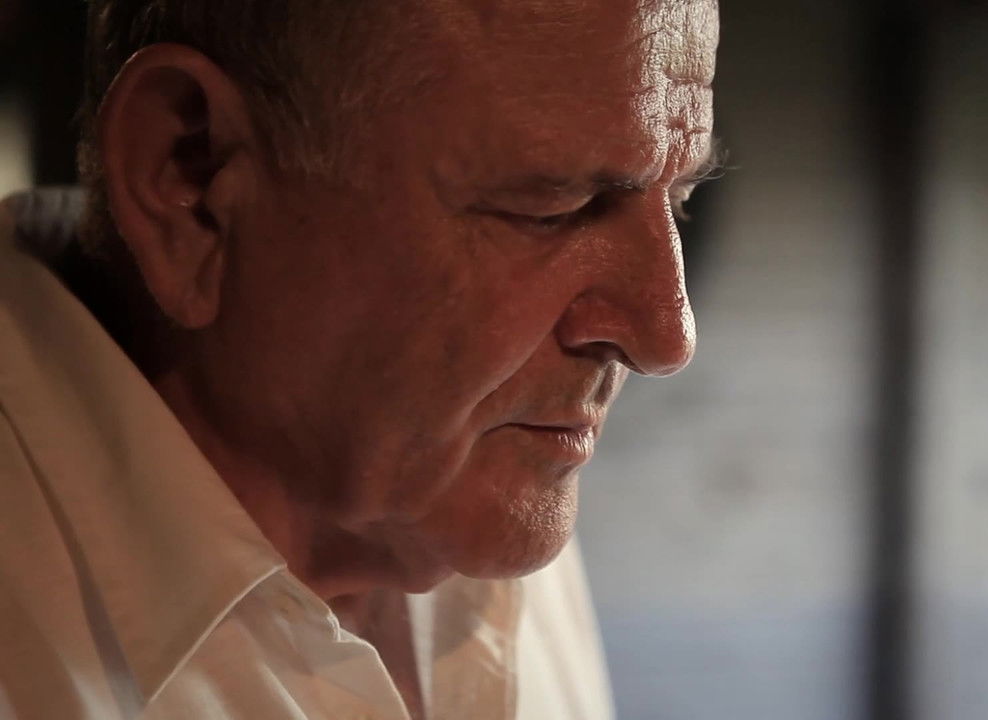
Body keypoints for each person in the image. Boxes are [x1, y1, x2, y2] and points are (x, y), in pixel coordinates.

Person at [0, 0, 719, 717]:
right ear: (191, 175)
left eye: (681, 198)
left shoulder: (466, 467)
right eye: (552, 210)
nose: (667, 337)